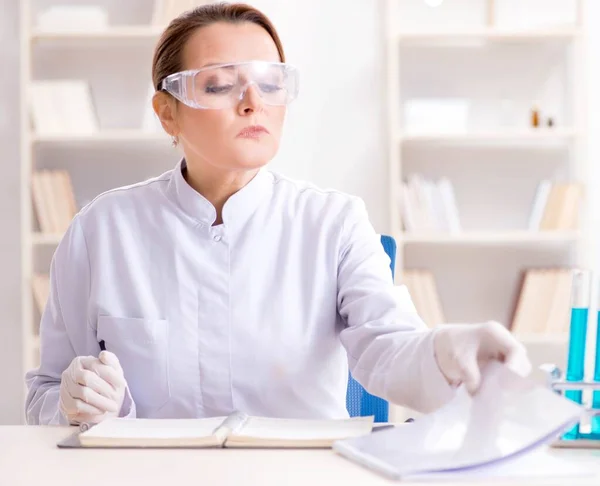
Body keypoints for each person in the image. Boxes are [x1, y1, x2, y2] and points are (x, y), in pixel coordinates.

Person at [25, 2, 530, 426]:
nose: (253, 104)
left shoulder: (333, 223)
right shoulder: (101, 230)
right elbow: (45, 393)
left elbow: (388, 348)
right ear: (167, 112)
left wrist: (448, 349)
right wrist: (74, 405)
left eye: (270, 84)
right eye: (220, 85)